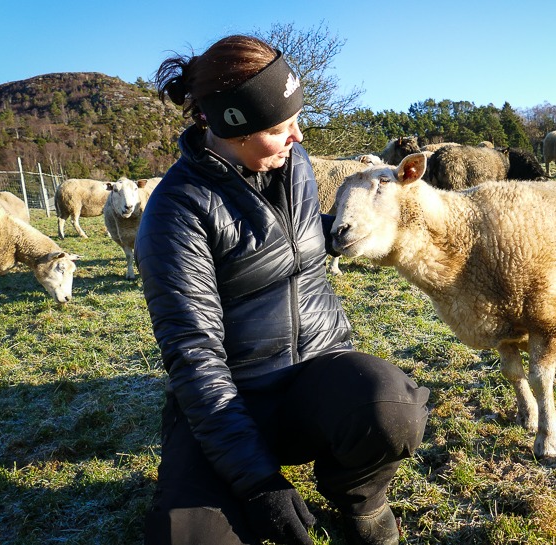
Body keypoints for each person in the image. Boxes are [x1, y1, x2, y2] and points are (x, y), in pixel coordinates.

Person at [136, 35, 431, 545]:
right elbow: (195, 357)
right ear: (231, 126)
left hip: (316, 373)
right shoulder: (175, 212)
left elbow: (290, 239)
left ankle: (358, 495)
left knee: (393, 410)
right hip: (234, 397)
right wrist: (259, 484)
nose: (297, 135)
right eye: (278, 127)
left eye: (297, 117)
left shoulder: (295, 166)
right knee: (188, 539)